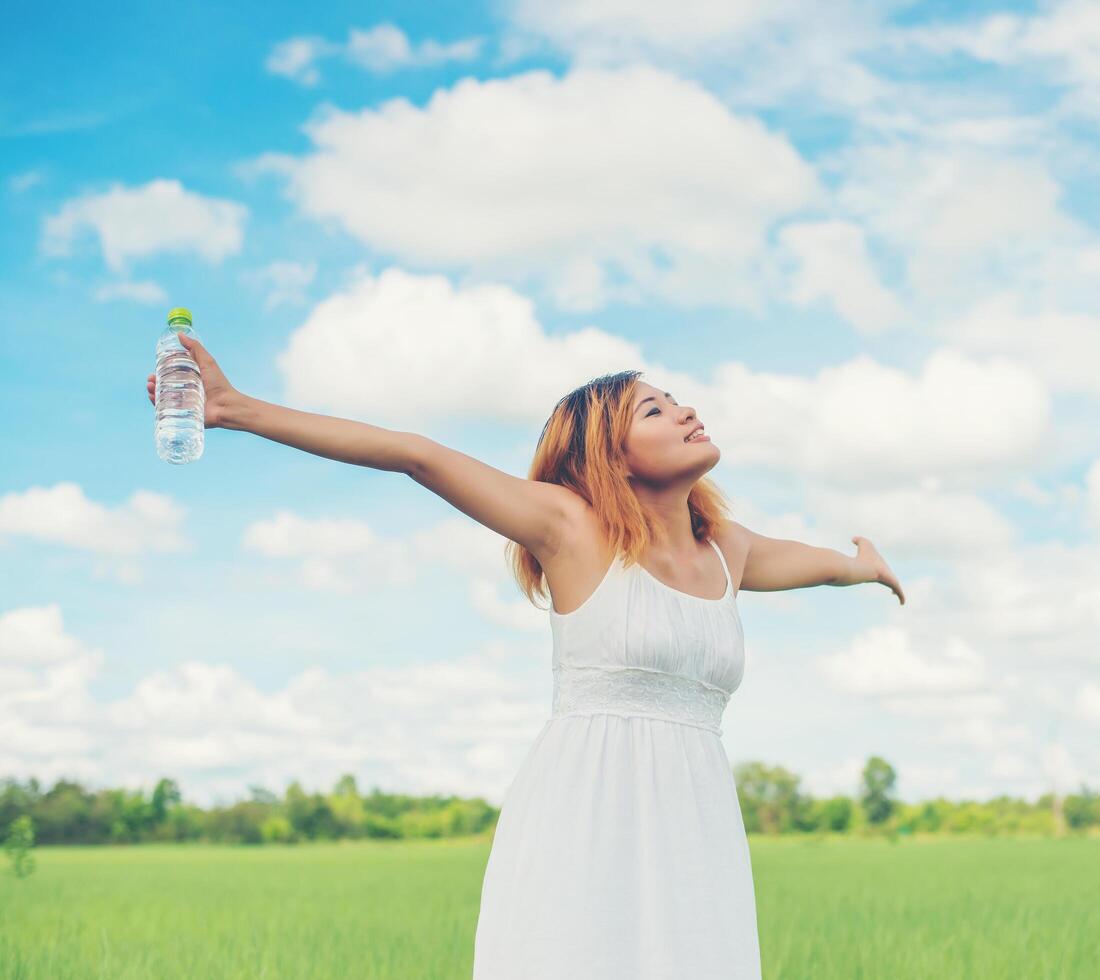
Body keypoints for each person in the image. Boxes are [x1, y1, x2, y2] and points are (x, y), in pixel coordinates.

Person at [147, 333, 906, 978]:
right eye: (654, 407)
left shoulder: (727, 553)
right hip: (586, 812)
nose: (684, 410)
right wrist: (237, 410)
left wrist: (862, 563)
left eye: (676, 399)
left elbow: (814, 562)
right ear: (610, 453)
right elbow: (415, 455)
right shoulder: (571, 528)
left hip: (696, 825)